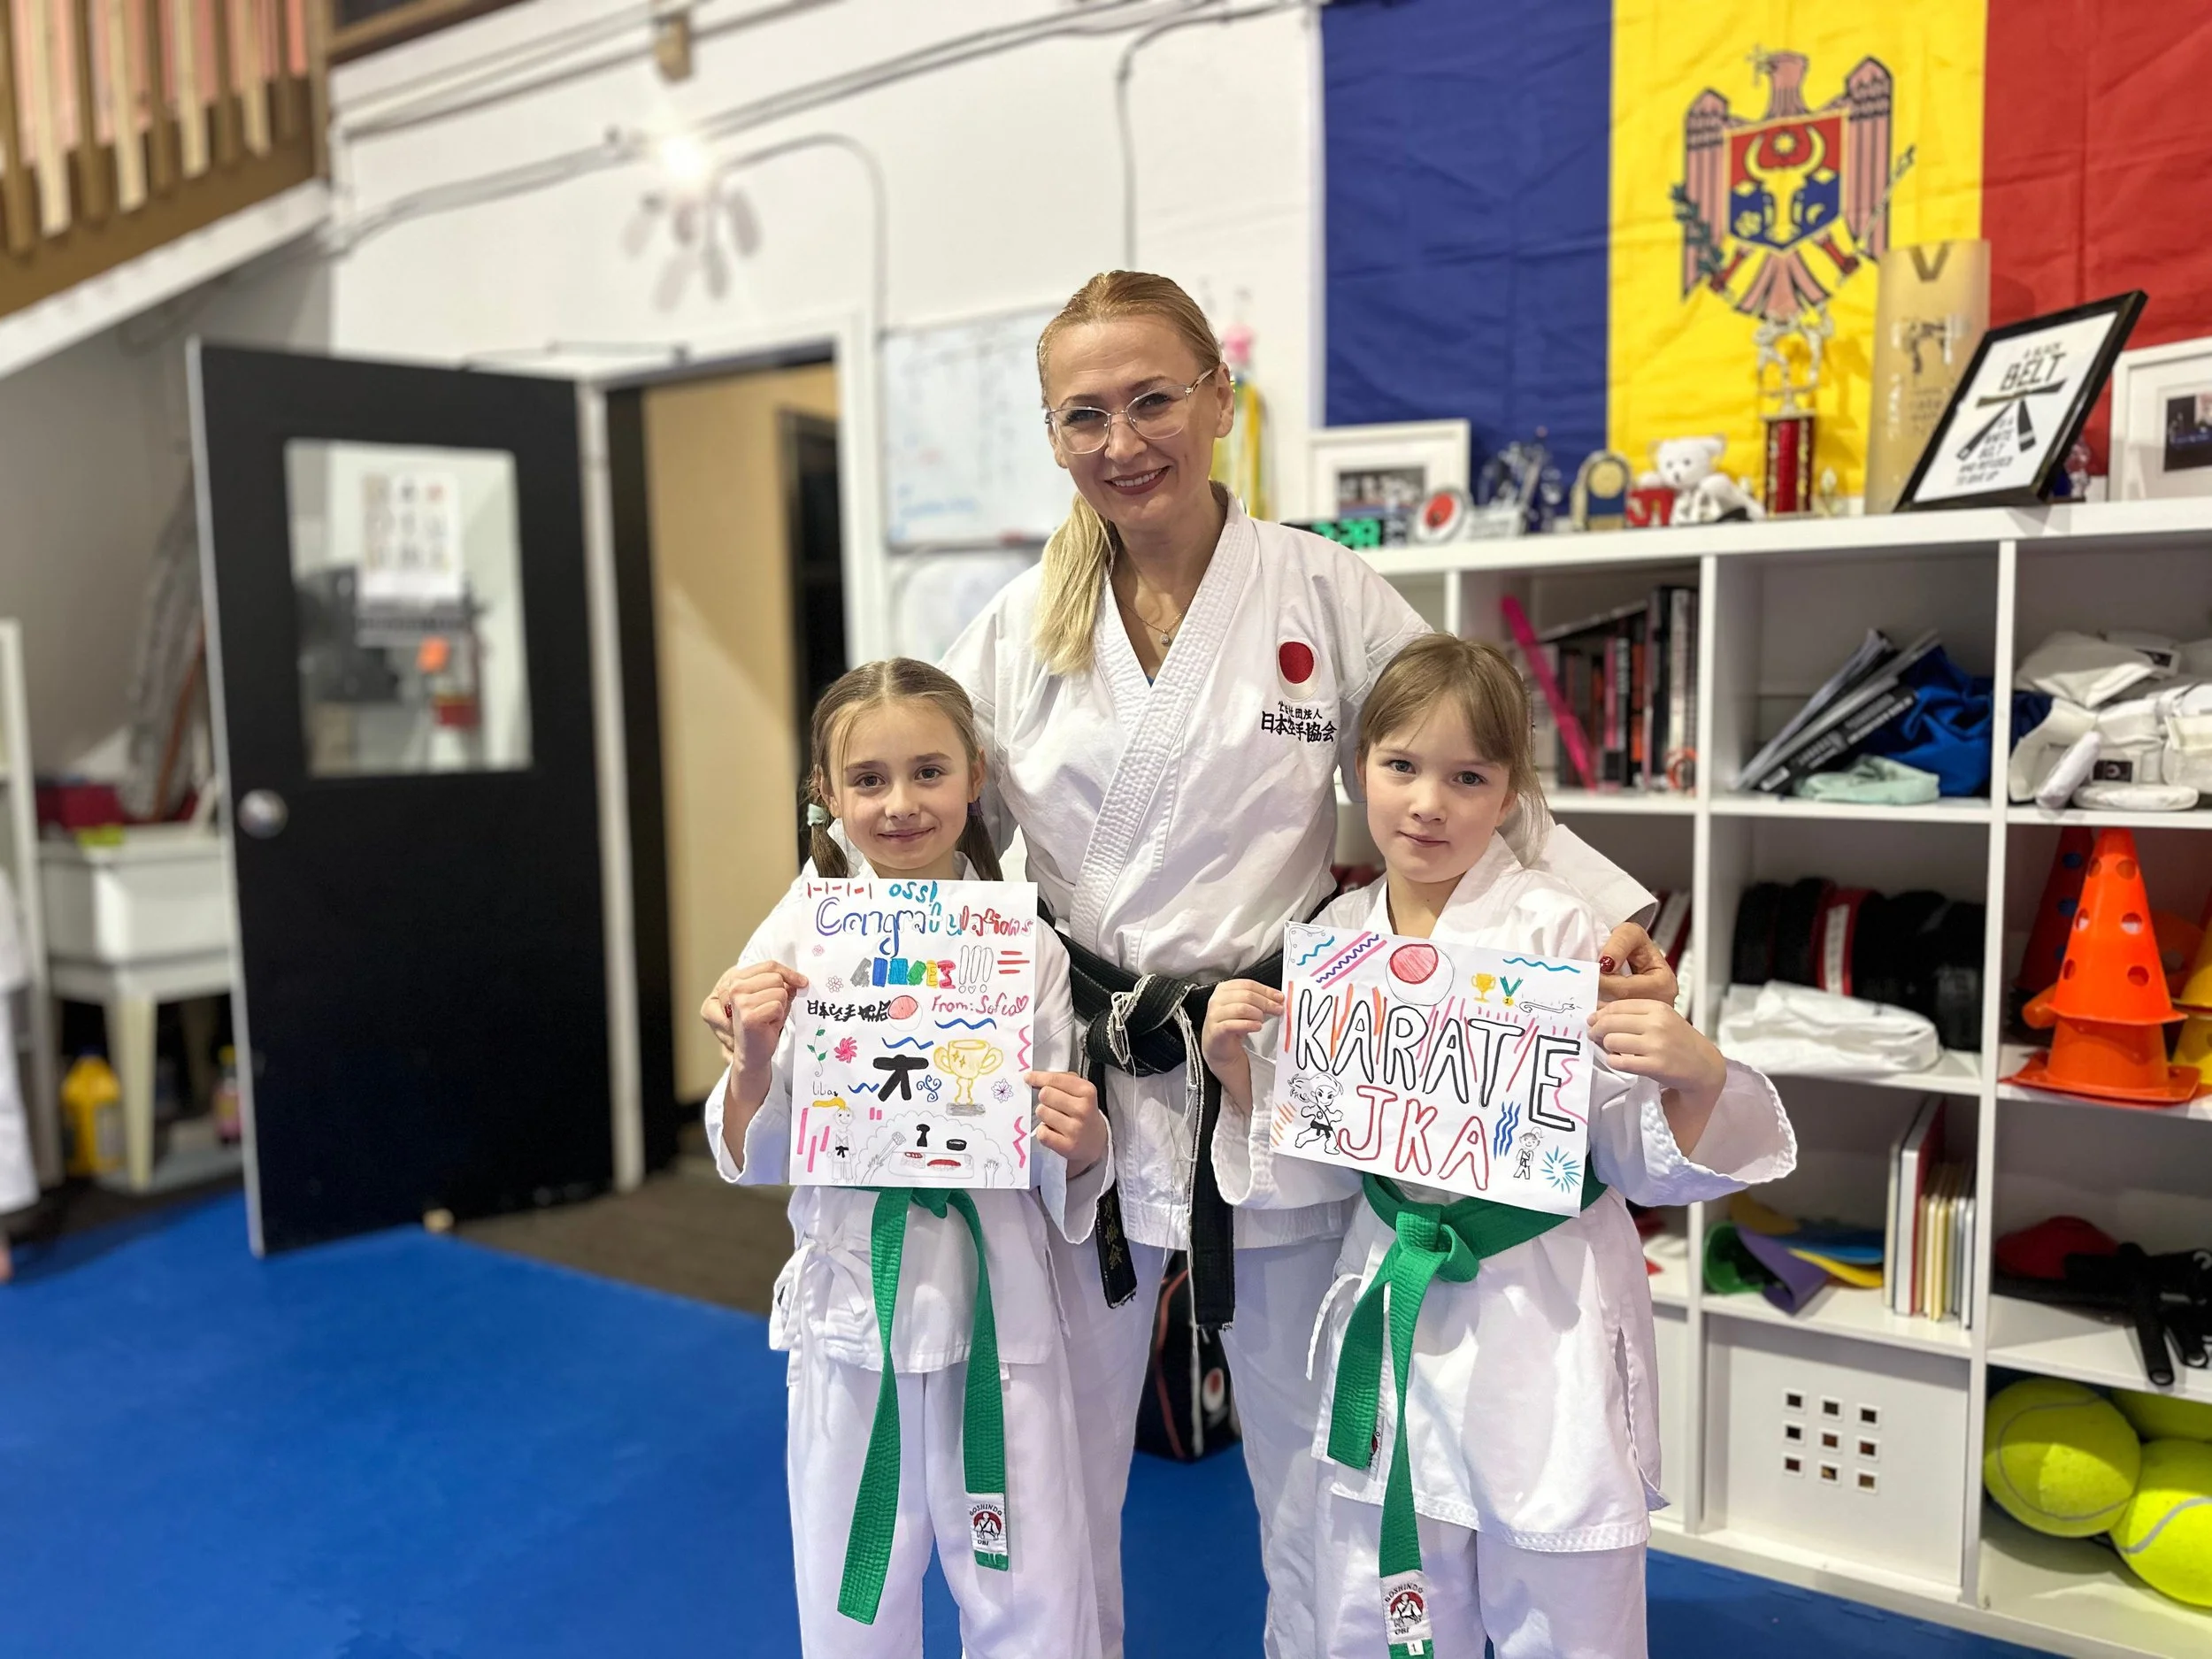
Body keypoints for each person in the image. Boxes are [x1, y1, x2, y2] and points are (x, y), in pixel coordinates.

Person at [705, 270, 1676, 1659]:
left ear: (1218, 400)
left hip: (1273, 1059)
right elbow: (900, 816)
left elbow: (1461, 757)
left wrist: (1591, 913)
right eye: (1083, 413)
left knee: (1308, 1451)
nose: (1124, 439)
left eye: (1154, 397)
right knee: (1050, 1466)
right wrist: (782, 961)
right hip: (1067, 1082)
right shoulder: (1015, 628)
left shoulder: (1322, 588)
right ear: (1053, 436)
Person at [1203, 634, 1796, 1659]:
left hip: (1542, 1304)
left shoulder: (1563, 932)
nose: (1427, 804)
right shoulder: (1339, 935)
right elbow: (1318, 1158)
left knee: (1559, 1594)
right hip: (1390, 1286)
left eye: (1465, 777)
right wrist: (1244, 1077)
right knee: (1377, 1589)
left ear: (1509, 792)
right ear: (1358, 772)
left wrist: (1690, 1072)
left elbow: (1629, 1147)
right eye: (1401, 768)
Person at [701, 658, 1115, 1658]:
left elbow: (1055, 1141)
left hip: (996, 1296)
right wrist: (753, 1065)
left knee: (1029, 1592)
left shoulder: (1029, 946)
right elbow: (754, 1146)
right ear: (826, 794)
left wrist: (1086, 1140)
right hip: (853, 1304)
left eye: (927, 772)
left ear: (976, 776)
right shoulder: (801, 934)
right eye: (869, 780)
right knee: (851, 1594)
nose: (899, 805)